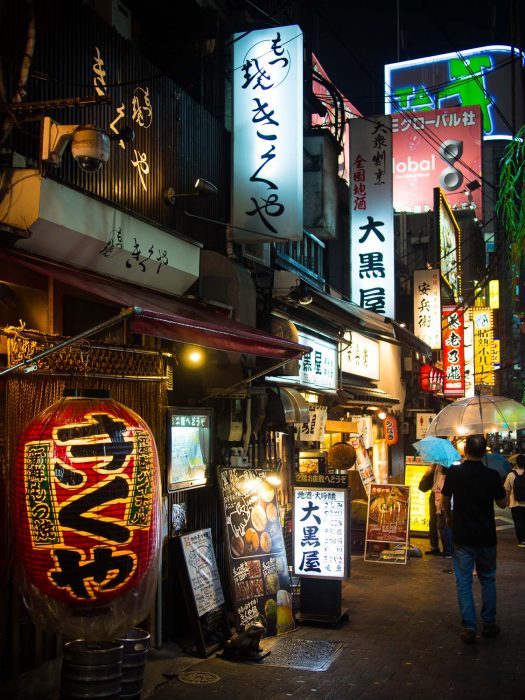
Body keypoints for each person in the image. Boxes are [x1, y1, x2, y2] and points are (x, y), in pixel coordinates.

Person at [441, 434, 507, 644]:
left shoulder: (455, 472)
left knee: (464, 581)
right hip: (486, 536)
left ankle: (469, 627)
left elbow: (445, 499)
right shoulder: (492, 475)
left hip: (462, 535)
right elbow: (503, 503)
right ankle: (488, 623)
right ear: (485, 451)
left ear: (465, 451)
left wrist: (450, 518)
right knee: (488, 579)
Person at [503, 453, 525, 546]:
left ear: (516, 463)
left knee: (518, 522)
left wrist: (507, 501)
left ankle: (522, 540)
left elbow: (507, 490)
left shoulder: (511, 475)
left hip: (515, 503)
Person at [419, 463, 441, 555]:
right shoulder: (434, 465)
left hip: (444, 494)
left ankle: (448, 549)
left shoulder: (451, 465)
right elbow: (423, 486)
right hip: (434, 494)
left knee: (442, 522)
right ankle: (434, 547)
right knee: (433, 521)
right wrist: (430, 469)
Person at [433, 464, 453, 558]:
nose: (438, 467)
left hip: (443, 508)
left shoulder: (445, 479)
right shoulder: (443, 478)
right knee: (445, 529)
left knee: (444, 529)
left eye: (440, 466)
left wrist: (438, 508)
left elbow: (443, 496)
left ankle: (448, 551)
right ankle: (448, 550)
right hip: (444, 507)